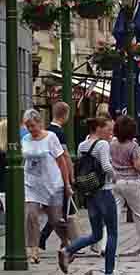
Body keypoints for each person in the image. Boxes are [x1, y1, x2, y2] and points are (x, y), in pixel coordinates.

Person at [60, 116, 117, 275]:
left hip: (90, 194)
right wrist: (115, 177)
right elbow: (106, 166)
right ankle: (109, 271)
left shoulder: (82, 145)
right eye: (108, 129)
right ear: (98, 128)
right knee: (112, 233)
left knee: (96, 234)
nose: (111, 133)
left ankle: (67, 250)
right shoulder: (103, 144)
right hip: (104, 191)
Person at [21, 108, 71, 265]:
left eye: (33, 126)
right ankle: (33, 250)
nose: (30, 129)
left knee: (55, 219)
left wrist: (67, 183)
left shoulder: (51, 137)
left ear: (40, 123)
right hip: (32, 184)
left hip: (52, 183)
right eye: (27, 126)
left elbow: (61, 160)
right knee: (31, 215)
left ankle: (67, 243)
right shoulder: (25, 139)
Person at [110, 116, 140, 257]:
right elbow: (139, 166)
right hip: (132, 182)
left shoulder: (112, 143)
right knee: (139, 216)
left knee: (113, 217)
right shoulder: (134, 146)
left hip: (116, 181)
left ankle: (108, 247)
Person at [38, 102, 77, 253]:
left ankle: (59, 241)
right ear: (66, 115)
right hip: (60, 177)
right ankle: (60, 242)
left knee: (59, 210)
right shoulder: (59, 133)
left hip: (48, 175)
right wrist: (71, 176)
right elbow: (64, 157)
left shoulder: (46, 131)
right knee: (62, 211)